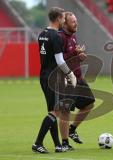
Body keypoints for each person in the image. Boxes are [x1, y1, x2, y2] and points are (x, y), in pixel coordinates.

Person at [32, 7, 77, 153]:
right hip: (53, 77)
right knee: (55, 112)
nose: (64, 20)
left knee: (52, 110)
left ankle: (58, 145)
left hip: (44, 75)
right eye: (63, 18)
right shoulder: (56, 36)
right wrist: (70, 74)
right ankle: (37, 143)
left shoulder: (42, 34)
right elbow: (59, 60)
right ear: (58, 19)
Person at [58, 12, 95, 150]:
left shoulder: (73, 37)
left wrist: (80, 56)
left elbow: (72, 56)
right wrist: (75, 53)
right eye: (73, 21)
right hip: (67, 79)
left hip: (78, 78)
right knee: (65, 111)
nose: (76, 23)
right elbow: (59, 59)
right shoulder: (60, 38)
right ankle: (65, 143)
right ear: (65, 23)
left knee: (89, 104)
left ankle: (72, 129)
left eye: (76, 21)